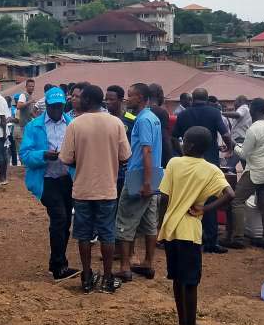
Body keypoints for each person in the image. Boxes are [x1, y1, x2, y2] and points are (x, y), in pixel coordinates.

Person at [157, 126, 234, 325]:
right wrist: (205, 209)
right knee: (191, 282)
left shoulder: (174, 163)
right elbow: (229, 194)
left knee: (178, 278)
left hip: (171, 229)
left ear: (188, 145)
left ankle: (184, 324)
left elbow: (164, 198)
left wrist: (161, 226)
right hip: (190, 232)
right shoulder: (211, 170)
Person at [59, 84, 131, 294]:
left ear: (87, 100)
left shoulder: (75, 124)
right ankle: (108, 279)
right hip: (107, 189)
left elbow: (66, 158)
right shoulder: (116, 123)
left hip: (82, 189)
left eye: (80, 97)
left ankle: (87, 277)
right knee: (107, 234)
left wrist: (82, 161)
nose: (77, 99)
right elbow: (125, 156)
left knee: (84, 234)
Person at [19, 87, 78, 281]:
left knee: (66, 222)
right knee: (59, 218)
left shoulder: (72, 125)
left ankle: (58, 263)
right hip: (46, 181)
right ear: (47, 106)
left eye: (59, 107)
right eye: (52, 107)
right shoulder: (34, 126)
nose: (56, 110)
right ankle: (59, 266)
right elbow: (25, 155)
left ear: (63, 105)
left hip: (67, 179)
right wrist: (43, 155)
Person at [173, 88, 234, 254]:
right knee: (209, 200)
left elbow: (173, 136)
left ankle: (191, 238)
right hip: (209, 161)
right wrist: (229, 148)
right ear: (207, 99)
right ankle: (211, 241)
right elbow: (225, 134)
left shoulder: (184, 114)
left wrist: (181, 153)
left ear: (192, 99)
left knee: (188, 198)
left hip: (188, 162)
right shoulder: (214, 113)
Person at [115, 83, 163, 281]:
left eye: (130, 96)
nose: (128, 99)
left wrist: (144, 182)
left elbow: (146, 150)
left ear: (141, 97)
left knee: (125, 221)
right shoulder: (153, 118)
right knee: (150, 222)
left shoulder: (143, 120)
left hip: (139, 177)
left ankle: (125, 266)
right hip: (154, 177)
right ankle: (148, 263)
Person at [229, 99, 264, 250]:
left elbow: (243, 154)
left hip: (254, 170)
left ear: (253, 110)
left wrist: (233, 145)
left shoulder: (253, 129)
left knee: (237, 201)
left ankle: (238, 237)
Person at [147, 83, 174, 167]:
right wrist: (170, 159)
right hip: (158, 157)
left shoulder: (140, 111)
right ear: (160, 95)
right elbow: (164, 137)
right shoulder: (161, 112)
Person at [223, 95, 252, 171]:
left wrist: (222, 113)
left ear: (240, 101)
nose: (234, 104)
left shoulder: (244, 108)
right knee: (246, 166)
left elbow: (238, 114)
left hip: (239, 140)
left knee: (230, 165)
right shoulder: (246, 110)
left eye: (235, 101)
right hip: (241, 140)